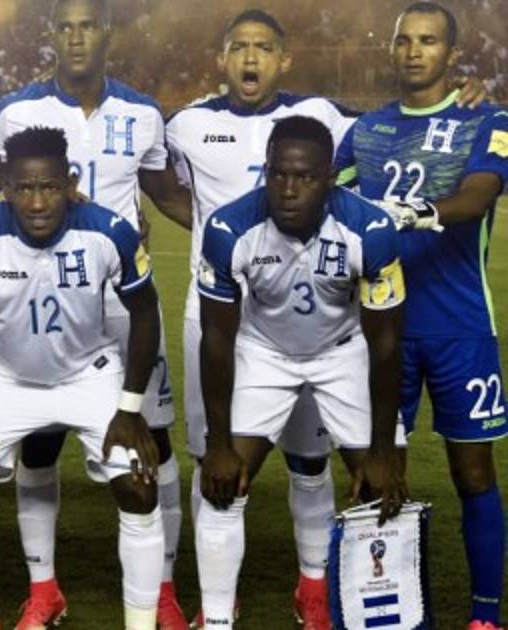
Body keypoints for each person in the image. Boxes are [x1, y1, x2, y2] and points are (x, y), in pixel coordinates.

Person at [0, 2, 190, 625]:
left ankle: (163, 589)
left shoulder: (143, 113)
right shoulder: (16, 112)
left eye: (88, 25)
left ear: (107, 34)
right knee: (39, 442)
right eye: (65, 26)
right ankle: (44, 588)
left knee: (152, 439)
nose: (76, 37)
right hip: (44, 298)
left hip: (125, 304)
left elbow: (169, 196)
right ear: (53, 35)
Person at [0, 126, 165, 630]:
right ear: (6, 188)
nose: (37, 202)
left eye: (50, 187)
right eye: (24, 188)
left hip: (89, 376)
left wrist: (128, 408)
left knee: (140, 488)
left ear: (71, 183)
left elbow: (146, 312)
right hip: (5, 380)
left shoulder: (109, 231)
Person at [163, 10, 355, 627]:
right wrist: (214, 231)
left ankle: (313, 587)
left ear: (284, 59)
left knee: (309, 460)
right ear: (222, 58)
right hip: (215, 313)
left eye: (264, 47)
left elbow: (384, 141)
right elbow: (157, 182)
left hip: (302, 317)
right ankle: (217, 601)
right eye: (239, 47)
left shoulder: (323, 117)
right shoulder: (187, 125)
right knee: (214, 461)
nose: (251, 57)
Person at [196, 116, 408, 630]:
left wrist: (382, 450)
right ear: (266, 172)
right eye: (279, 174)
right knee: (222, 485)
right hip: (264, 351)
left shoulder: (371, 230)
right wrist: (218, 443)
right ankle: (218, 619)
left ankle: (328, 596)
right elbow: (217, 339)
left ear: (330, 178)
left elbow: (385, 344)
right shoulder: (228, 228)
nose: (289, 190)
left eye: (306, 177)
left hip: (342, 351)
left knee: (384, 487)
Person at [334, 4, 508, 628]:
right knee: (378, 470)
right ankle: (391, 611)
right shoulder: (366, 129)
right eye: (404, 40)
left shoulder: (488, 120)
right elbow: (326, 193)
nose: (413, 51)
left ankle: (484, 614)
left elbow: (478, 196)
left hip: (462, 326)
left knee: (474, 472)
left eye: (428, 41)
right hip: (382, 327)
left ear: (451, 54)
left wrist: (416, 212)